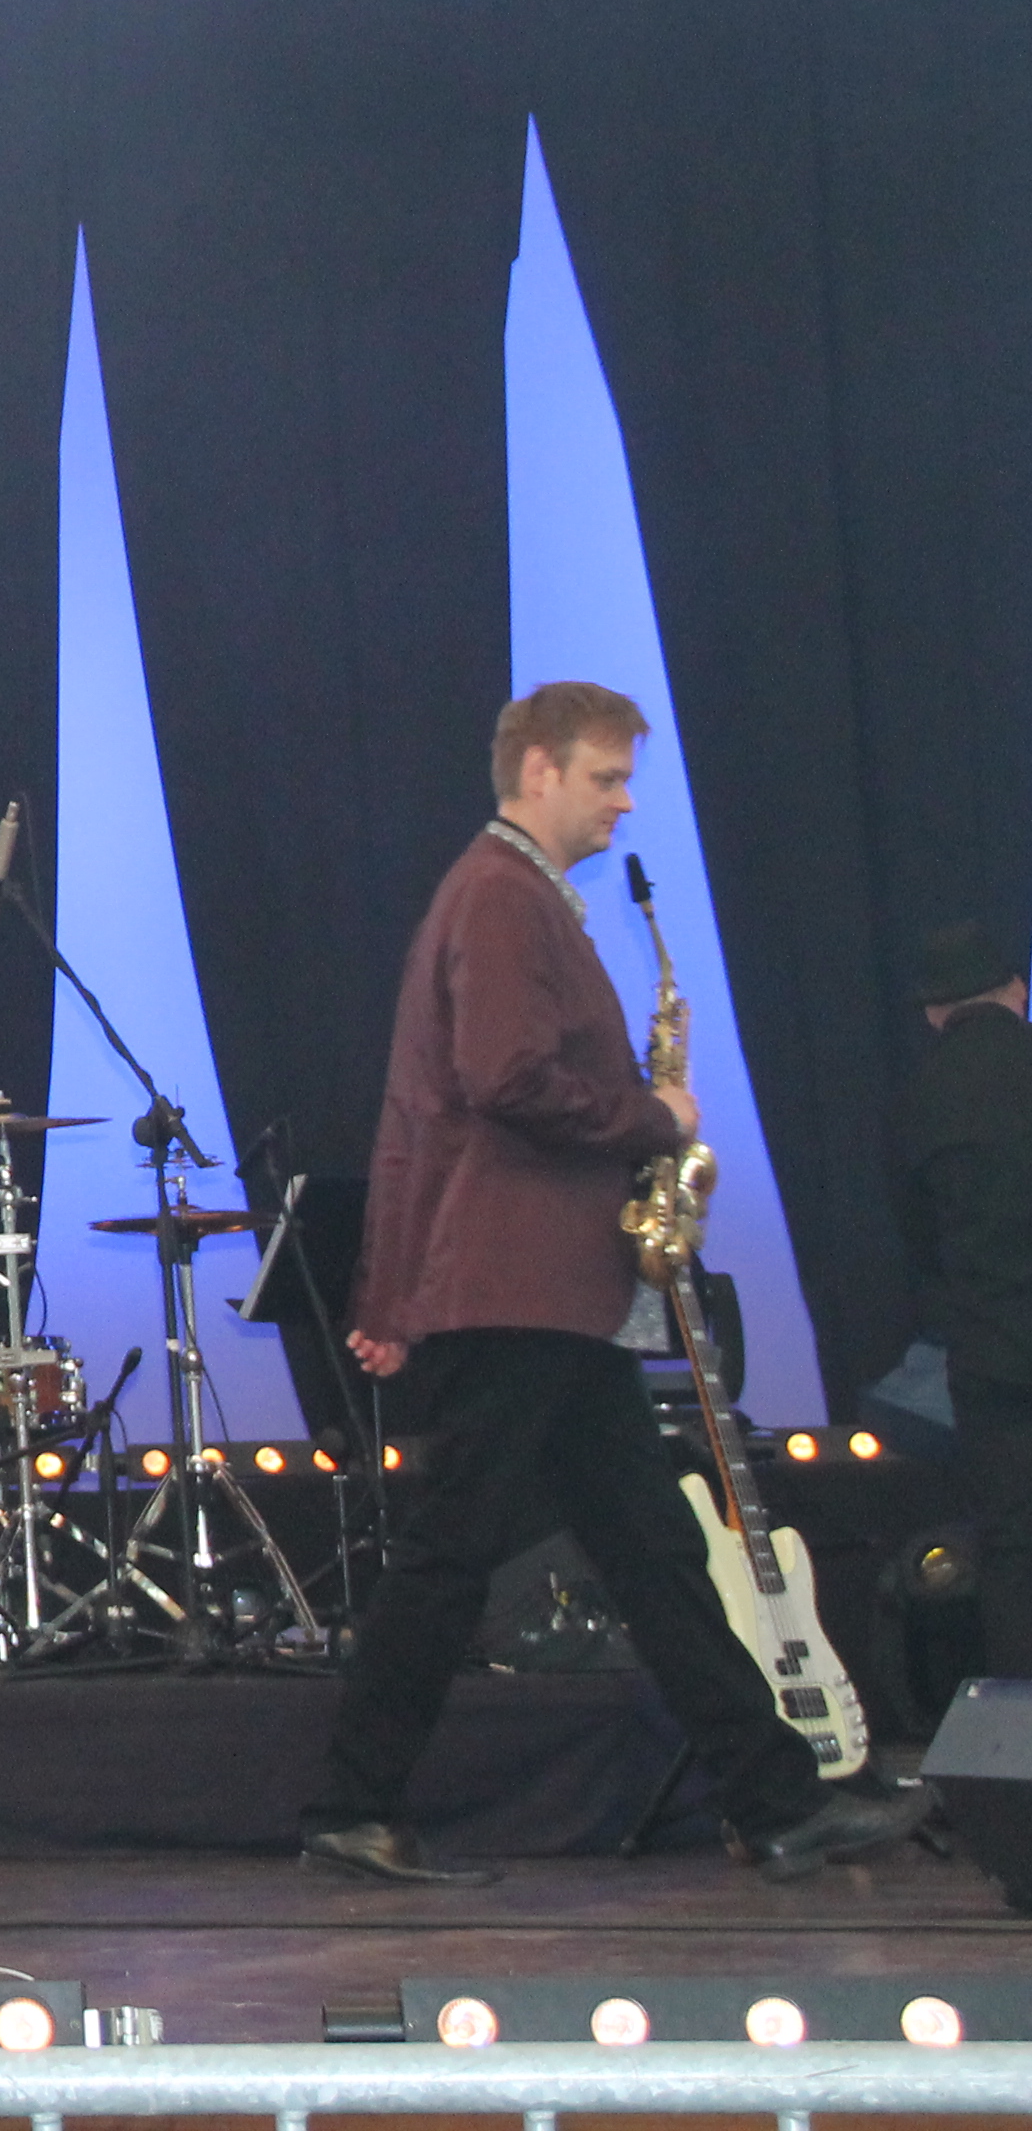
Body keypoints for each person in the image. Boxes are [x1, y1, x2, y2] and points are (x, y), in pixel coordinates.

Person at [306, 681, 926, 1886]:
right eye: (606, 777)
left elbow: (424, 1111)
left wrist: (392, 1287)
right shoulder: (502, 896)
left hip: (541, 1287)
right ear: (538, 770)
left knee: (652, 1548)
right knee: (463, 1550)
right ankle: (350, 1800)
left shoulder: (506, 894)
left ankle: (776, 1799)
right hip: (520, 1284)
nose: (624, 803)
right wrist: (656, 1114)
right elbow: (502, 1077)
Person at [897, 918, 1032, 1677]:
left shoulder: (920, 1099)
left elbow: (918, 1244)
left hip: (990, 1354)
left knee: (1013, 1547)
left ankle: (1019, 1729)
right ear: (1018, 990)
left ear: (933, 1013)